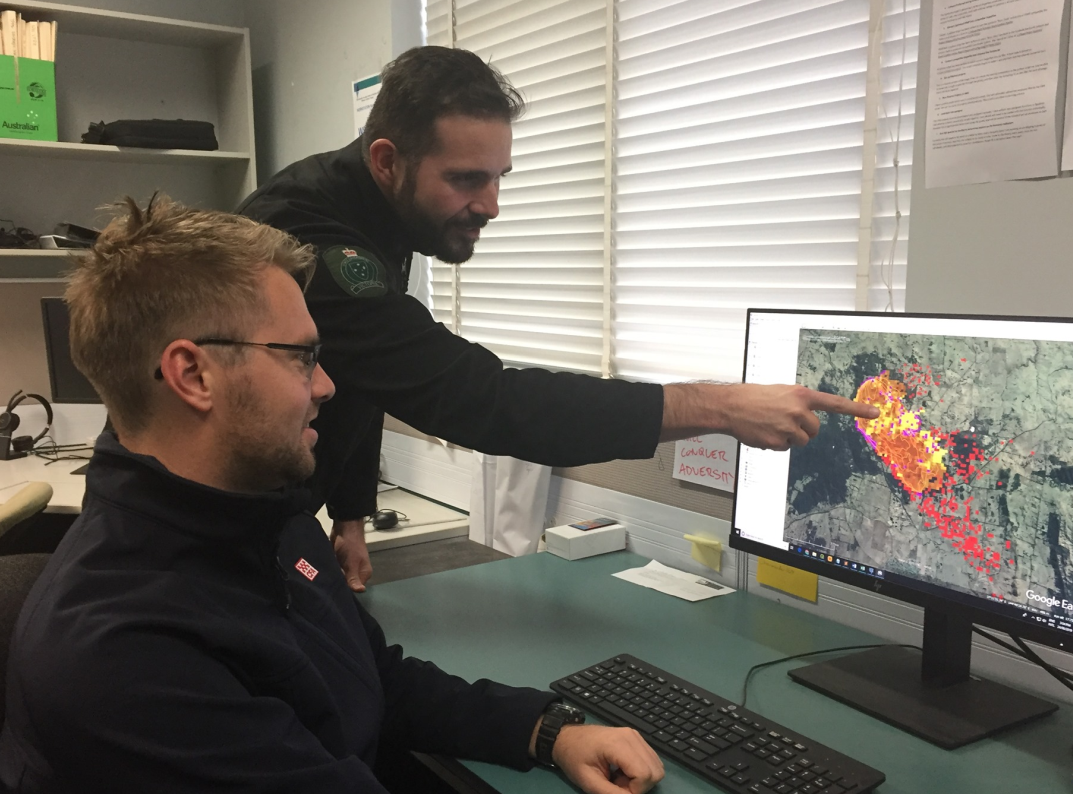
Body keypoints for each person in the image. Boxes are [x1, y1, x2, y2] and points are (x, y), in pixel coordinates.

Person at [0, 197, 664, 794]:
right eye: (301, 357)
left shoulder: (258, 513)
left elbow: (370, 675)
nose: (327, 387)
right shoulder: (125, 656)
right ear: (193, 374)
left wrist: (544, 729)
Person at [237, 46, 879, 593]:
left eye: (498, 178)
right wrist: (716, 406)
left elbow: (360, 369)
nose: (490, 206)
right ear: (386, 160)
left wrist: (350, 516)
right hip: (228, 524)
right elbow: (477, 399)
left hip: (290, 509)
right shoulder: (310, 234)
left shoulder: (373, 207)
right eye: (466, 180)